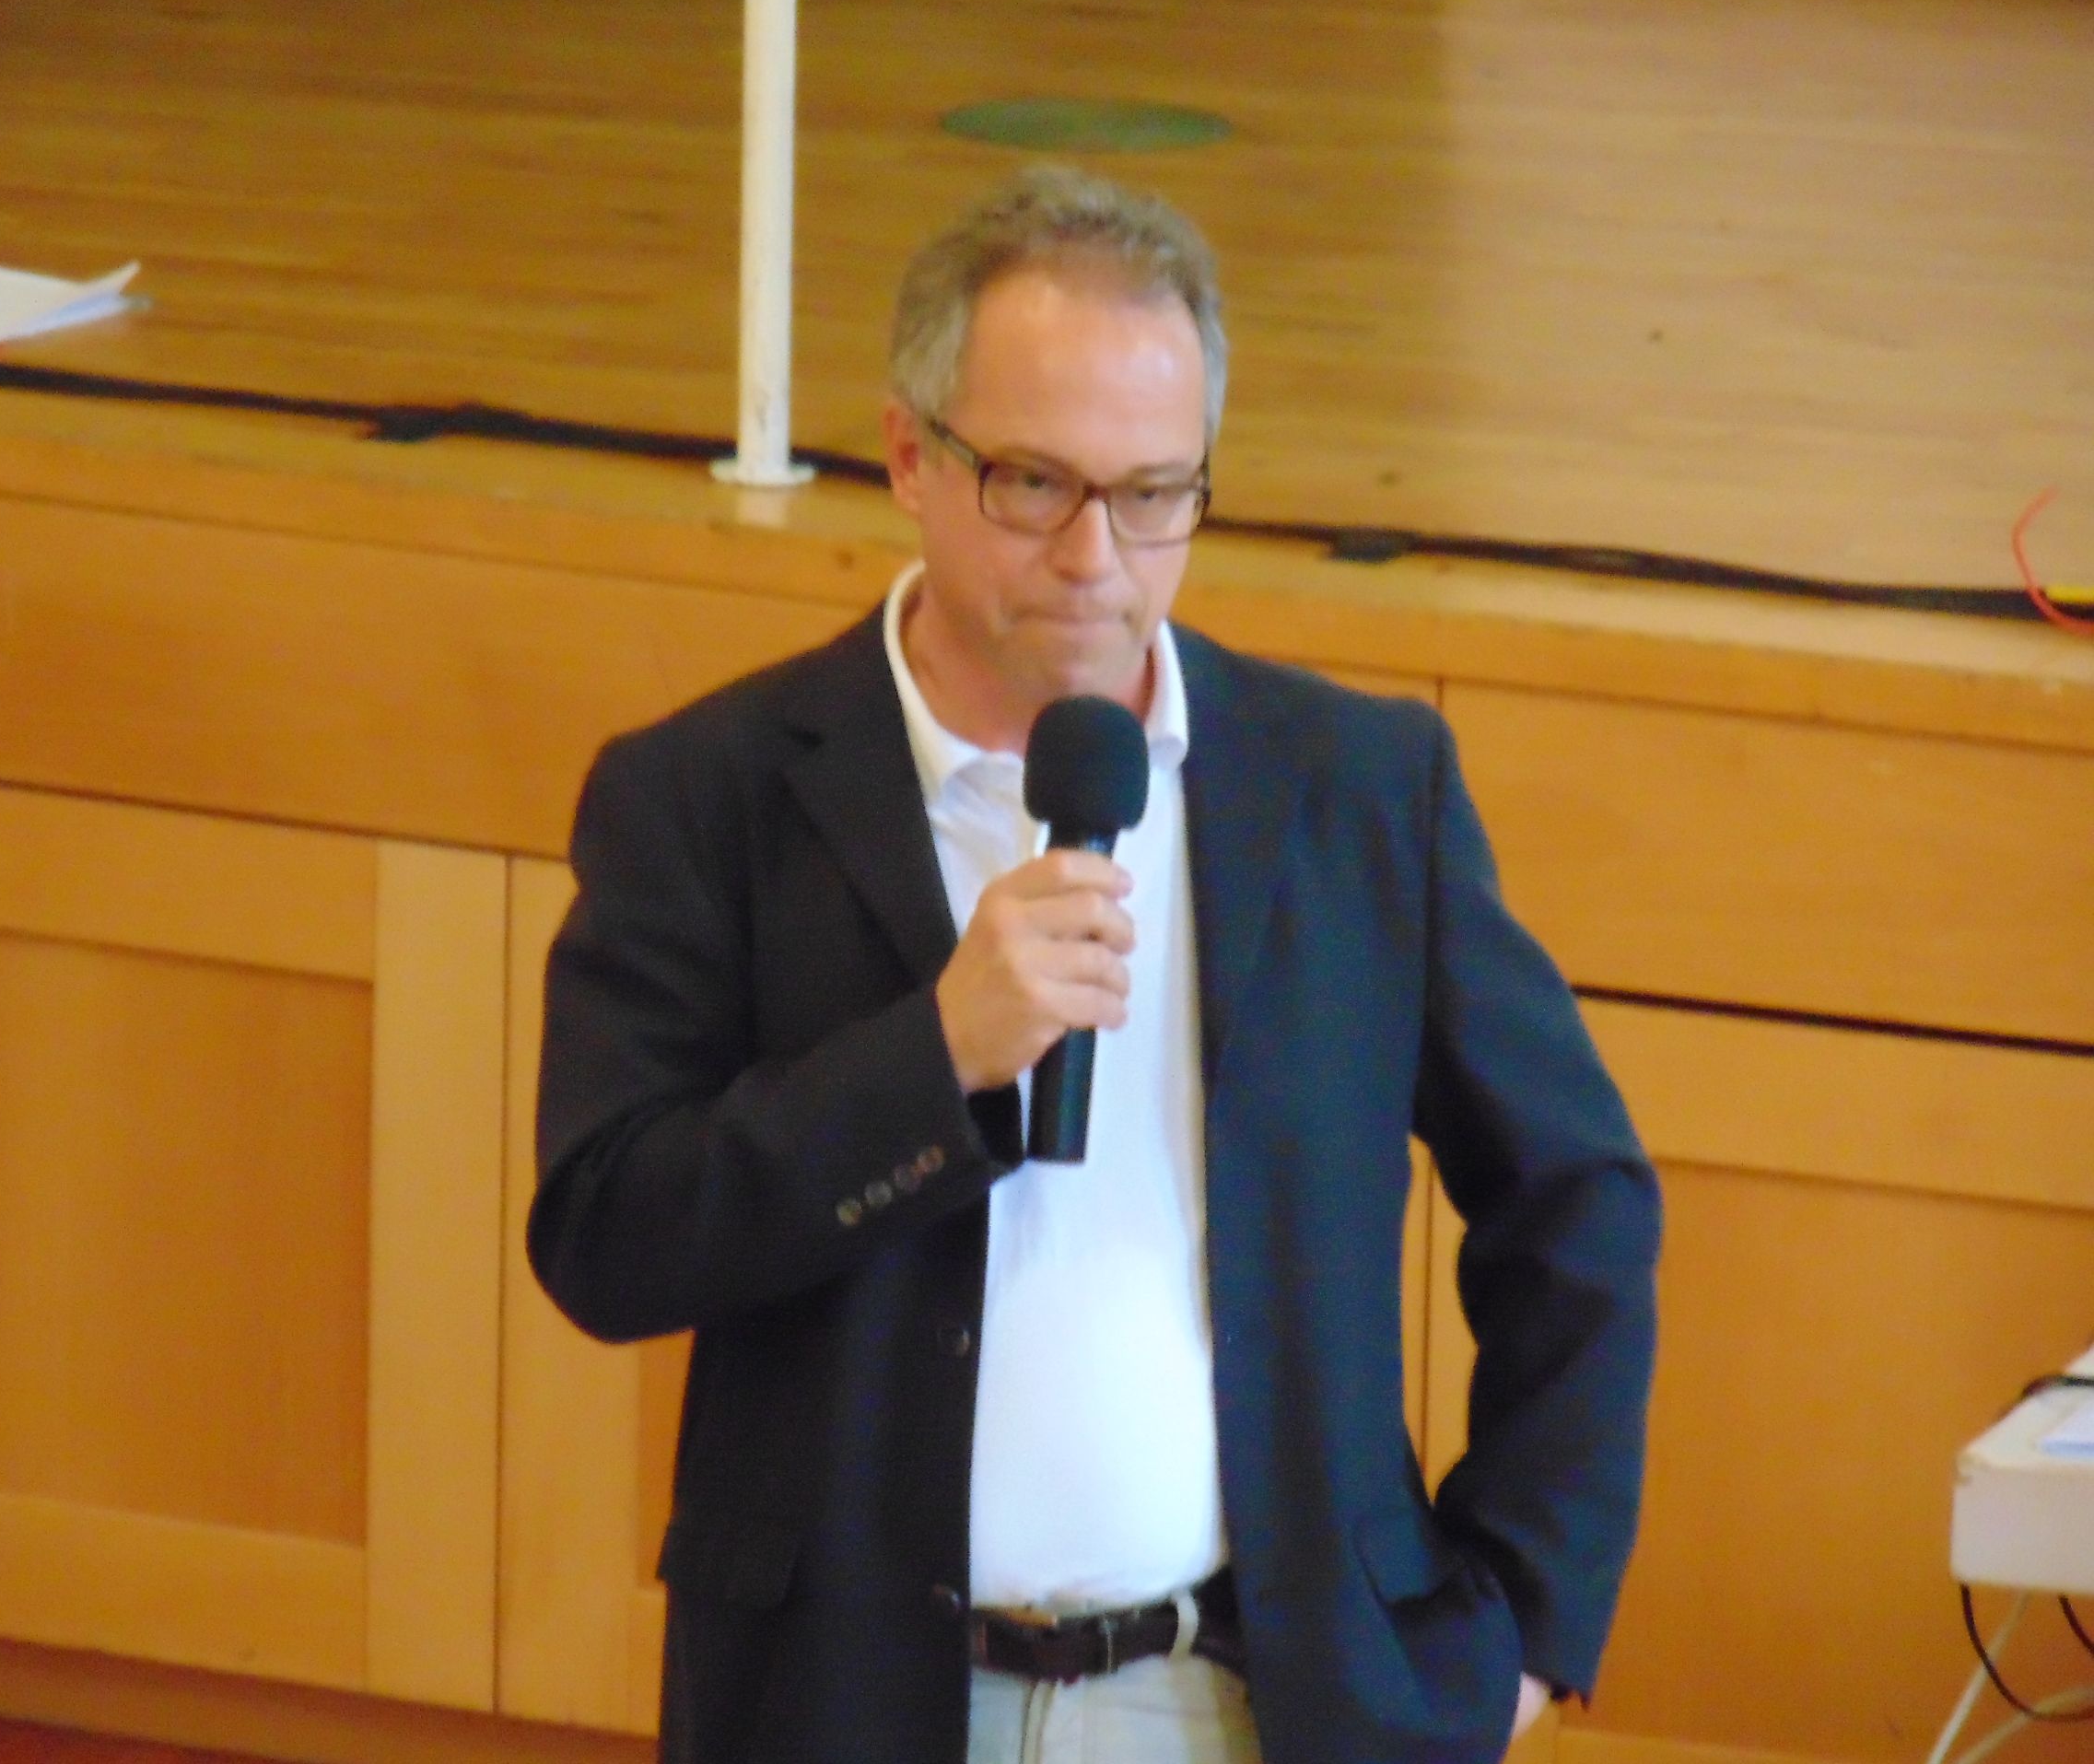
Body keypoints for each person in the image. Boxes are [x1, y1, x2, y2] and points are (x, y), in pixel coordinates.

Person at [531, 165, 1660, 1764]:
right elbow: (605, 1236)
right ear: (910, 457)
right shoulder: (706, 793)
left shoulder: (1355, 790)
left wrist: (1527, 1625)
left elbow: (1579, 1198)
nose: (1096, 556)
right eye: (1034, 484)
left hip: (1247, 1702)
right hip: (849, 1710)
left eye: (1152, 494)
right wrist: (932, 1059)